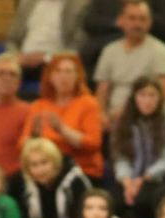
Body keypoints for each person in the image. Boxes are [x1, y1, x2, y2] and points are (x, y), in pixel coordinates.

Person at [110, 75, 165, 218]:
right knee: (112, 202)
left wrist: (144, 178)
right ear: (134, 98)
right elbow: (120, 157)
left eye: (152, 95)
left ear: (159, 98)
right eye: (142, 95)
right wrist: (127, 181)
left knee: (142, 201)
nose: (147, 101)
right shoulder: (124, 122)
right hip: (129, 180)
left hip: (158, 179)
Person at [20, 52, 104, 181]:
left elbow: (93, 143)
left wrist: (62, 130)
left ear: (78, 76)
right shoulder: (39, 105)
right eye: (58, 71)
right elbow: (23, 144)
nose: (63, 76)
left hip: (81, 170)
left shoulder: (88, 103)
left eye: (68, 71)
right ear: (50, 76)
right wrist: (34, 138)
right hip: (44, 172)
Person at [93, 0, 165, 128]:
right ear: (120, 21)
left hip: (145, 120)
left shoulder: (160, 51)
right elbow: (102, 90)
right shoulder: (109, 51)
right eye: (132, 18)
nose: (137, 24)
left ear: (150, 23)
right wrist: (101, 115)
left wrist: (127, 113)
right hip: (111, 121)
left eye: (142, 19)